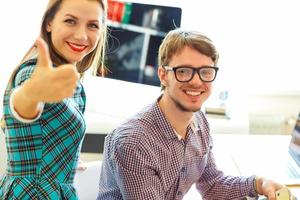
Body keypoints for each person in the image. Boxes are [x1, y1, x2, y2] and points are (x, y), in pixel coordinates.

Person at [97, 29, 284, 200]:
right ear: (163, 75)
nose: (196, 81)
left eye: (206, 72)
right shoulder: (135, 143)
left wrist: (259, 184)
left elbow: (212, 185)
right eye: (184, 71)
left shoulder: (199, 122)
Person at [0, 0, 107, 199]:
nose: (82, 35)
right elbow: (22, 103)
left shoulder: (72, 82)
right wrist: (31, 94)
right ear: (49, 22)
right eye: (70, 21)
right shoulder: (33, 73)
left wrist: (68, 160)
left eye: (92, 25)